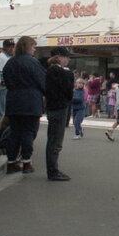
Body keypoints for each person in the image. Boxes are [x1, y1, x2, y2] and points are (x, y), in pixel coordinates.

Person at [2, 36, 44, 174]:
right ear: (27, 47)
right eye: (33, 47)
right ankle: (26, 161)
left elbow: (6, 80)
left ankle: (11, 162)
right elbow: (42, 82)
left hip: (13, 100)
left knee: (14, 132)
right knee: (28, 132)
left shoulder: (10, 63)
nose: (34, 49)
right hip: (31, 101)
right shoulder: (33, 62)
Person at [44, 47, 73, 181]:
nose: (68, 59)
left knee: (54, 139)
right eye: (66, 57)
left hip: (53, 107)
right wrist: (68, 73)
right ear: (59, 57)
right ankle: (53, 171)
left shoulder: (50, 70)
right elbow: (68, 91)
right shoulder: (58, 71)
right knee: (55, 141)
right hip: (59, 107)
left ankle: (53, 169)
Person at [0, 39, 13, 130]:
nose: (11, 49)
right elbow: (0, 74)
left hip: (5, 87)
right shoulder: (2, 57)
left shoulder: (7, 57)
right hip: (1, 88)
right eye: (9, 46)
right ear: (4, 47)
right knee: (0, 112)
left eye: (12, 46)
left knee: (2, 111)